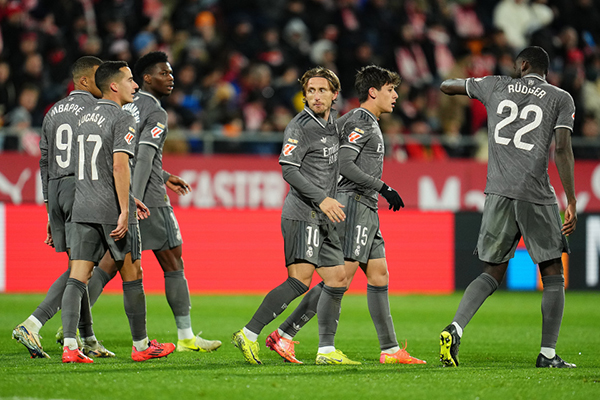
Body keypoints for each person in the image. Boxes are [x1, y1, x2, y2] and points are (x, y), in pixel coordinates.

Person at [264, 65, 426, 365]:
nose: (395, 95)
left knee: (379, 273)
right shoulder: (361, 121)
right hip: (353, 205)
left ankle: (390, 350)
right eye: (391, 90)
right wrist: (383, 187)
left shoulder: (358, 119)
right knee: (339, 278)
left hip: (366, 207)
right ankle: (288, 335)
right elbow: (346, 164)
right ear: (373, 92)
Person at [438, 46, 577, 368]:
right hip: (535, 192)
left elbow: (447, 86)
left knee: (491, 272)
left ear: (524, 65)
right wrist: (570, 199)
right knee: (553, 272)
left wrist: (472, 84)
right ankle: (548, 354)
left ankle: (455, 327)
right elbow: (562, 149)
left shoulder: (495, 84)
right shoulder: (561, 98)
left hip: (497, 193)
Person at [86, 51, 221, 353]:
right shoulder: (155, 111)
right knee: (173, 262)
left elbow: (127, 155)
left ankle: (73, 326)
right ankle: (186, 337)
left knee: (109, 262)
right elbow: (145, 156)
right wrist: (134, 197)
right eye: (163, 73)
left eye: (171, 73)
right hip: (148, 200)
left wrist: (164, 175)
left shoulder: (124, 107)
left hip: (114, 193)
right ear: (146, 78)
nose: (170, 78)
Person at [232, 66, 359, 365]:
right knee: (299, 281)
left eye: (322, 90)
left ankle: (319, 348)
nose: (316, 96)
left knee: (338, 279)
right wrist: (322, 198)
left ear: (334, 94)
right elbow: (289, 169)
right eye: (311, 91)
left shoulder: (333, 125)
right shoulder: (299, 126)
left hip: (325, 216)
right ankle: (248, 333)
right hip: (303, 213)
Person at [60, 60, 175, 363]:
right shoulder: (123, 117)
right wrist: (126, 207)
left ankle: (70, 346)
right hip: (111, 209)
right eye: (130, 80)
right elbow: (119, 165)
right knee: (133, 273)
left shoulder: (84, 116)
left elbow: (89, 165)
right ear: (114, 86)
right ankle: (141, 345)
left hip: (83, 206)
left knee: (78, 276)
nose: (135, 86)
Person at [12, 56, 114, 359]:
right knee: (82, 267)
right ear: (83, 80)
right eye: (98, 76)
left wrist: (49, 207)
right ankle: (33, 323)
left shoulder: (52, 111)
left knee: (79, 266)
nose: (104, 82)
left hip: (56, 189)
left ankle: (88, 337)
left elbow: (44, 161)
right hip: (81, 187)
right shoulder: (97, 110)